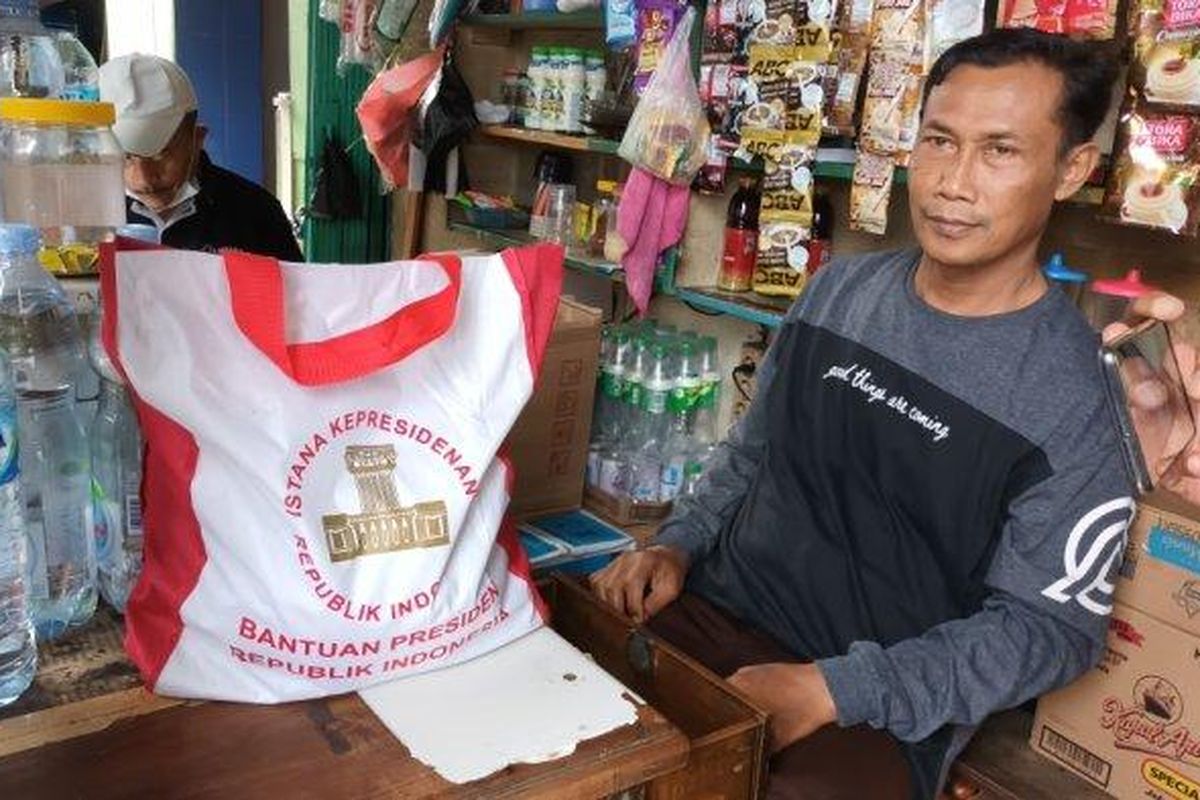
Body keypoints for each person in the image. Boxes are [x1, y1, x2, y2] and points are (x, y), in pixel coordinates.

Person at [593, 29, 1138, 800]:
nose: (954, 181)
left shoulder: (1073, 395)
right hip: (710, 616)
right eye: (940, 141)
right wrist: (675, 547)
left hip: (873, 709)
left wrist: (834, 689)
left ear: (1071, 170)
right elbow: (751, 453)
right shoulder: (838, 294)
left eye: (1000, 152)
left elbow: (1048, 633)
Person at [97, 53, 303, 262]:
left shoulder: (255, 212)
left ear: (197, 139)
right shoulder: (87, 216)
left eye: (160, 155)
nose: (143, 180)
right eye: (125, 158)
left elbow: (295, 293)